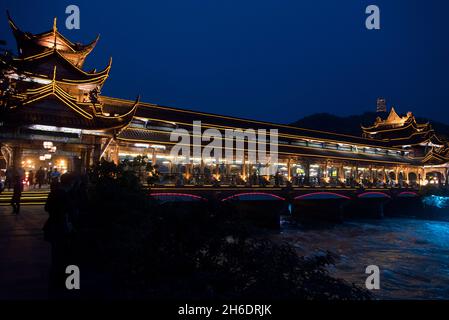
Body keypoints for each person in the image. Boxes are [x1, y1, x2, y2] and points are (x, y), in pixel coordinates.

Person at [43, 173, 75, 294]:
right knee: (64, 255)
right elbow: (69, 212)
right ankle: (68, 283)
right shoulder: (65, 195)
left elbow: (47, 208)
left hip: (52, 226)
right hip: (62, 228)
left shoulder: (54, 192)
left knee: (55, 256)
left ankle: (55, 282)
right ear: (71, 183)